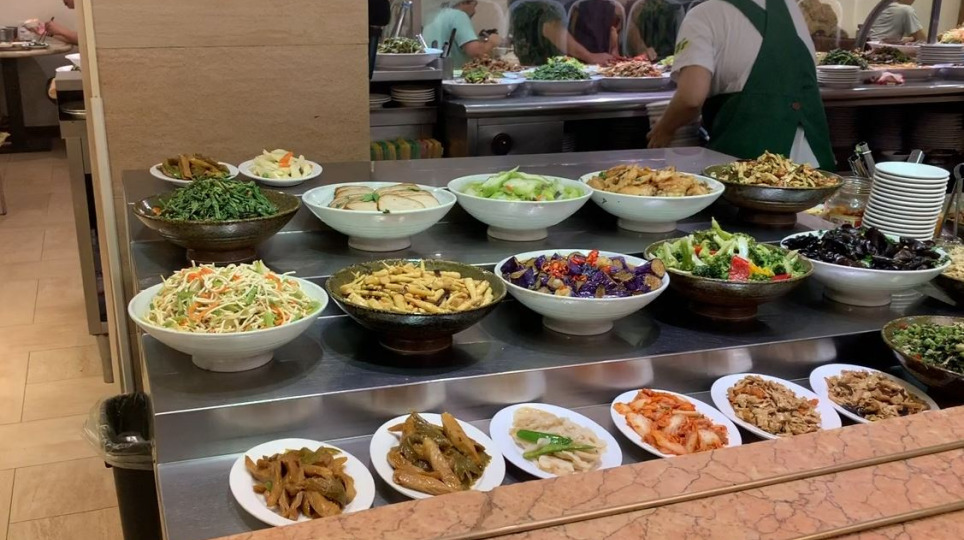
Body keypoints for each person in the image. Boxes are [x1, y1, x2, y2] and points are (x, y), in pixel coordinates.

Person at [647, 0, 835, 170]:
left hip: (751, 170)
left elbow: (691, 98)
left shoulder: (703, 15)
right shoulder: (789, 7)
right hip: (815, 167)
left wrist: (664, 129)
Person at [509, 0, 612, 65]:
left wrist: (613, 49)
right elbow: (551, 28)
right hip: (548, 69)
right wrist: (590, 57)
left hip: (591, 66)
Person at [423, 1, 502, 69]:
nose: (474, 11)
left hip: (434, 74)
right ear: (464, 2)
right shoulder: (458, 16)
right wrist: (492, 42)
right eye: (474, 5)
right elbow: (476, 53)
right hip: (455, 75)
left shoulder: (432, 15)